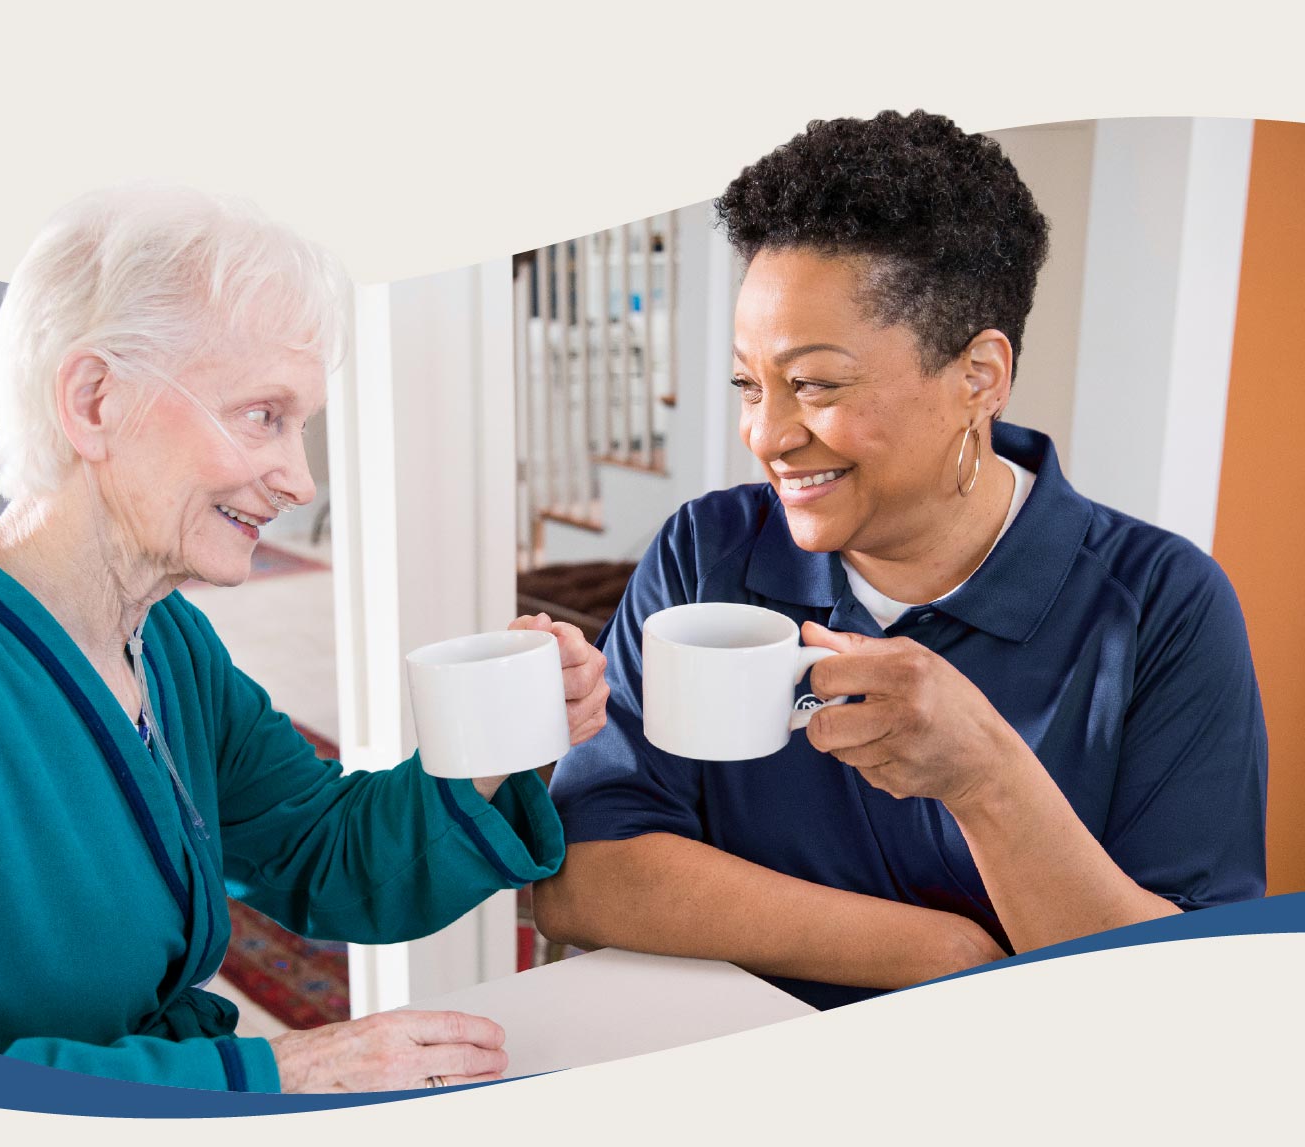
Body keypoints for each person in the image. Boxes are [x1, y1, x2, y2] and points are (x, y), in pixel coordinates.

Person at [0, 185, 608, 1091]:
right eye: (262, 415)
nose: (300, 479)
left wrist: (495, 742)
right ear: (95, 401)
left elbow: (322, 849)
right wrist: (266, 1078)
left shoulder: (167, 644)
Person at [536, 111, 1267, 1011]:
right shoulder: (707, 551)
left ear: (979, 377)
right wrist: (936, 953)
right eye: (747, 384)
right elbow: (584, 878)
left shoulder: (1162, 607)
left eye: (816, 384)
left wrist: (987, 779)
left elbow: (1191, 996)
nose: (765, 435)